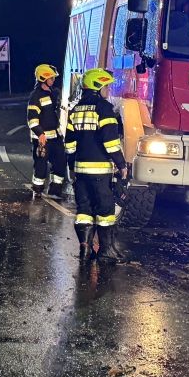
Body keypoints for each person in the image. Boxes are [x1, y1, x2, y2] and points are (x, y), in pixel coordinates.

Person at [64, 68, 128, 262]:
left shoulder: (76, 109)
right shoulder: (104, 108)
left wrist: (72, 167)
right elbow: (110, 142)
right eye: (106, 86)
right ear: (98, 86)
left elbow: (69, 144)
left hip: (80, 170)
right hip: (100, 170)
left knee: (84, 210)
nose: (108, 90)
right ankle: (106, 251)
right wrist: (122, 164)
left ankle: (85, 249)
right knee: (105, 210)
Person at [26, 63, 67, 198]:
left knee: (60, 162)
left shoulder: (53, 93)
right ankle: (37, 189)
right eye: (51, 78)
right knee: (41, 166)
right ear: (43, 78)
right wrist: (40, 134)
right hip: (42, 139)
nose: (53, 80)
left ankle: (55, 190)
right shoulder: (35, 96)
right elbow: (32, 120)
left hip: (56, 137)